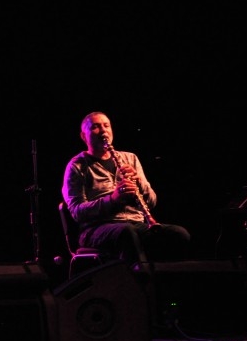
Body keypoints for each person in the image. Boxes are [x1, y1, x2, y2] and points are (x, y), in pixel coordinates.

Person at [62, 111, 190, 265]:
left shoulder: (130, 158)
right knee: (126, 232)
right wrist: (113, 200)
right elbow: (77, 212)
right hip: (97, 229)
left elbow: (152, 201)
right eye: (95, 127)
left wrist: (139, 183)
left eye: (106, 126)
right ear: (84, 136)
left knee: (178, 234)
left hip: (136, 224)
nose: (103, 131)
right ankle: (137, 283)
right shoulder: (76, 166)